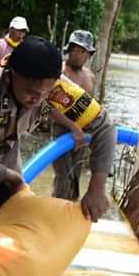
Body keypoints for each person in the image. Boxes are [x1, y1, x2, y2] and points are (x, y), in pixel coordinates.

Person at [0, 35, 115, 276]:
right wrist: (11, 177)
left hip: (0, 180)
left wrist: (97, 187)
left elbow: (104, 127)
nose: (37, 97)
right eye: (29, 90)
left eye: (44, 91)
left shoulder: (58, 89)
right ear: (11, 74)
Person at [52, 30, 97, 200]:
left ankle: (70, 212)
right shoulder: (58, 72)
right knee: (63, 177)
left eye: (83, 51)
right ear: (68, 50)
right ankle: (56, 212)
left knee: (75, 177)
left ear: (89, 55)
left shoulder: (90, 77)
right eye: (76, 50)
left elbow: (92, 108)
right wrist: (73, 127)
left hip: (83, 134)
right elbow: (46, 108)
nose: (79, 55)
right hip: (62, 130)